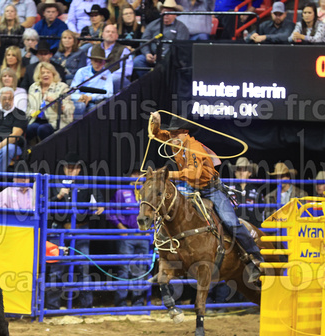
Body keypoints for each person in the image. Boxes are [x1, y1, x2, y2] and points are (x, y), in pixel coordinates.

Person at [150, 112, 263, 282]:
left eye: (175, 133)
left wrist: (167, 174)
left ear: (185, 132)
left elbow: (194, 174)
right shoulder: (177, 140)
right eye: (171, 133)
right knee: (173, 213)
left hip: (211, 189)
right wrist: (155, 124)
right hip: (192, 187)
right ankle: (167, 262)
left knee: (231, 223)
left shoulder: (193, 148)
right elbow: (157, 135)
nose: (171, 136)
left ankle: (255, 257)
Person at [47, 152, 105, 309]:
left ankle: (86, 305)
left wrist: (100, 204)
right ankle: (52, 306)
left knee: (83, 268)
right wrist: (59, 196)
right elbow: (45, 205)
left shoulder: (87, 183)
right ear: (64, 168)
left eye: (74, 168)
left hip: (80, 228)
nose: (71, 170)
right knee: (56, 268)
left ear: (79, 169)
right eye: (68, 167)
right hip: (59, 230)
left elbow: (99, 198)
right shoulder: (54, 182)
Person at [108, 165, 150, 307]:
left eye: (141, 174)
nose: (138, 177)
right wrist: (121, 228)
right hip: (128, 235)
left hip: (143, 235)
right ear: (130, 176)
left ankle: (137, 303)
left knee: (140, 270)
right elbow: (111, 211)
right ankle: (120, 303)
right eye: (135, 173)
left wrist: (150, 230)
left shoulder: (147, 193)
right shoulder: (121, 192)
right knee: (124, 270)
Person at [133, 0, 189, 77]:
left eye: (169, 12)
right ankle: (148, 81)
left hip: (170, 57)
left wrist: (163, 55)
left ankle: (161, 83)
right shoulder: (153, 24)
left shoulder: (181, 28)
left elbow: (180, 47)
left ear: (175, 14)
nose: (166, 15)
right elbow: (144, 41)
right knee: (138, 61)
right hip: (152, 55)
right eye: (164, 12)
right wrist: (147, 53)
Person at [27, 62, 75, 142]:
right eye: (42, 73)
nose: (45, 75)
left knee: (43, 129)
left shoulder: (62, 87)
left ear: (53, 74)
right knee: (29, 128)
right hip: (37, 120)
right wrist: (32, 112)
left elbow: (69, 109)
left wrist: (56, 102)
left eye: (48, 72)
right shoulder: (33, 87)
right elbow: (28, 108)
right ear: (38, 75)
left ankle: (48, 152)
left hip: (55, 121)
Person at [70, 45, 114, 118]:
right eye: (95, 61)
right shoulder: (81, 71)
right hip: (79, 100)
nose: (97, 64)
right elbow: (72, 90)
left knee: (94, 109)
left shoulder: (107, 73)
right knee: (80, 105)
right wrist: (81, 97)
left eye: (100, 61)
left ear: (104, 62)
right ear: (91, 61)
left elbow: (109, 92)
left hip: (95, 101)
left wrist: (91, 97)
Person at [86, 24, 133, 92]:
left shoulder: (124, 50)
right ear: (102, 34)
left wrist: (108, 77)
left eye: (113, 32)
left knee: (116, 79)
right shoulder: (92, 49)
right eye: (107, 31)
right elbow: (88, 67)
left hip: (114, 80)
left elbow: (127, 70)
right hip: (95, 79)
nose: (110, 34)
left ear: (117, 36)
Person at [227, 157, 262, 228]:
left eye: (244, 169)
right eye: (238, 169)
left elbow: (260, 213)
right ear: (235, 172)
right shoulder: (227, 189)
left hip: (253, 228)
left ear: (250, 173)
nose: (241, 172)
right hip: (232, 227)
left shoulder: (257, 191)